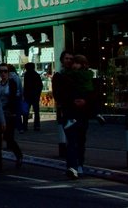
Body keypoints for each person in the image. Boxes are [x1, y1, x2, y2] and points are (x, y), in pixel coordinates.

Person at [52, 50, 88, 179]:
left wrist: (85, 101)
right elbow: (58, 95)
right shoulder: (58, 76)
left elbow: (89, 91)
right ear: (62, 60)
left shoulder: (80, 75)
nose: (68, 61)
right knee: (72, 140)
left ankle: (79, 165)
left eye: (71, 59)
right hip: (68, 113)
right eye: (66, 58)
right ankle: (72, 166)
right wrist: (72, 101)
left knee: (81, 140)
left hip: (82, 113)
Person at [0, 64, 24, 170]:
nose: (3, 74)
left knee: (8, 138)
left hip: (9, 114)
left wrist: (14, 111)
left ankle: (19, 156)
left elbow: (15, 97)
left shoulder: (12, 84)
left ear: (8, 72)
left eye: (5, 71)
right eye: (1, 71)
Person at [22, 62, 43, 131]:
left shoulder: (26, 75)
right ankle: (37, 126)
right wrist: (38, 94)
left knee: (26, 111)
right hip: (34, 96)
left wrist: (24, 94)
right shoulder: (36, 75)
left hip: (27, 96)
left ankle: (25, 126)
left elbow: (25, 86)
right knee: (36, 111)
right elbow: (40, 86)